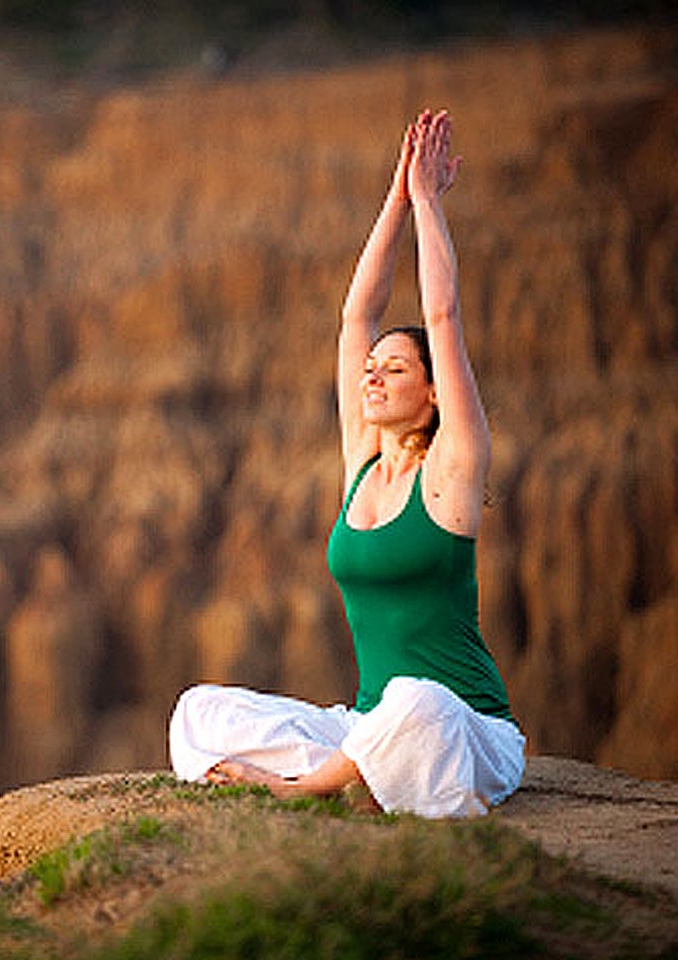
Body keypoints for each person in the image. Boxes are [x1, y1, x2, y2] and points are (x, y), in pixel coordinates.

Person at [168, 109, 525, 816]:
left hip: (464, 731)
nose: (372, 375)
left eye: (394, 369)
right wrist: (394, 198)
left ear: (432, 393)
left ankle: (299, 790)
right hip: (366, 729)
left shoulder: (452, 471)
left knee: (418, 702)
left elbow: (445, 317)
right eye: (372, 368)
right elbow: (355, 316)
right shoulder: (361, 462)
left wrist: (429, 205)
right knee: (199, 710)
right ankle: (356, 778)